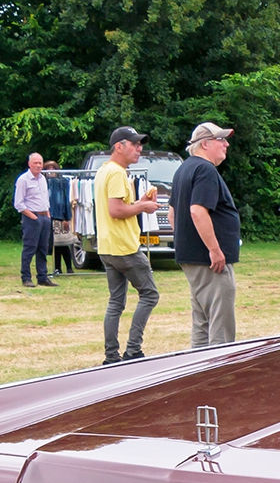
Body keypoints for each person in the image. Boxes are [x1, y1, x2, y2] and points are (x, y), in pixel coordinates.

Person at [95, 126, 160, 364]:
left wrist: (137, 202)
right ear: (118, 147)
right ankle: (133, 350)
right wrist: (143, 207)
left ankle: (111, 356)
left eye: (140, 144)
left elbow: (119, 205)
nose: (139, 149)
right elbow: (116, 211)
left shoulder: (104, 170)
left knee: (116, 302)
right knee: (150, 295)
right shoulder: (117, 173)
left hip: (107, 246)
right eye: (134, 144)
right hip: (125, 247)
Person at [172, 121, 240, 347]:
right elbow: (198, 210)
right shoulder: (205, 169)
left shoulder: (184, 169)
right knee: (220, 326)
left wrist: (186, 241)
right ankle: (219, 377)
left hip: (193, 258)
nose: (226, 144)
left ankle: (199, 373)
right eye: (221, 140)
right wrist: (214, 249)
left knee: (202, 323)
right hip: (210, 261)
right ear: (205, 144)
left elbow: (173, 213)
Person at [13, 152, 55, 288]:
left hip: (44, 217)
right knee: (30, 248)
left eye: (40, 163)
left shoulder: (43, 178)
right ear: (29, 164)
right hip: (32, 217)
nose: (38, 165)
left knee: (43, 248)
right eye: (35, 163)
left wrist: (47, 214)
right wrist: (33, 217)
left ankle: (42, 277)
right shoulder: (23, 180)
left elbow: (45, 198)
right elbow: (18, 203)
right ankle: (26, 277)